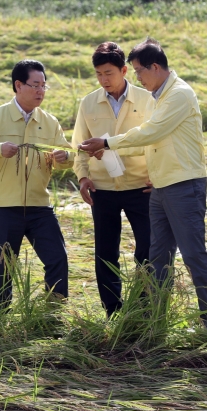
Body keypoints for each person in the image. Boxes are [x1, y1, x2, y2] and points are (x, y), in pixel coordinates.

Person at [79, 39, 207, 327]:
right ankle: (156, 320)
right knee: (157, 258)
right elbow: (148, 142)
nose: (138, 77)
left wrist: (107, 142)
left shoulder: (178, 95)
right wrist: (107, 150)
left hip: (183, 184)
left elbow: (151, 133)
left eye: (139, 71)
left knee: (193, 254)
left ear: (155, 67)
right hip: (160, 187)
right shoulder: (158, 96)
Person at [0, 59, 73, 310]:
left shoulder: (49, 122)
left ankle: (52, 313)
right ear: (18, 85)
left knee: (58, 259)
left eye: (44, 86)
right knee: (3, 268)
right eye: (35, 85)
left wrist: (64, 157)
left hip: (39, 206)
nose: (40, 91)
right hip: (3, 207)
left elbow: (68, 154)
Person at [72, 41, 154, 318]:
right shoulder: (88, 103)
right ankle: (113, 311)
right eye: (98, 74)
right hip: (102, 188)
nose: (104, 80)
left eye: (109, 73)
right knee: (106, 253)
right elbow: (79, 147)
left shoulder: (147, 99)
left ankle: (144, 307)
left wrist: (157, 174)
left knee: (148, 248)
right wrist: (83, 178)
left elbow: (158, 141)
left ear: (124, 70)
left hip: (141, 187)